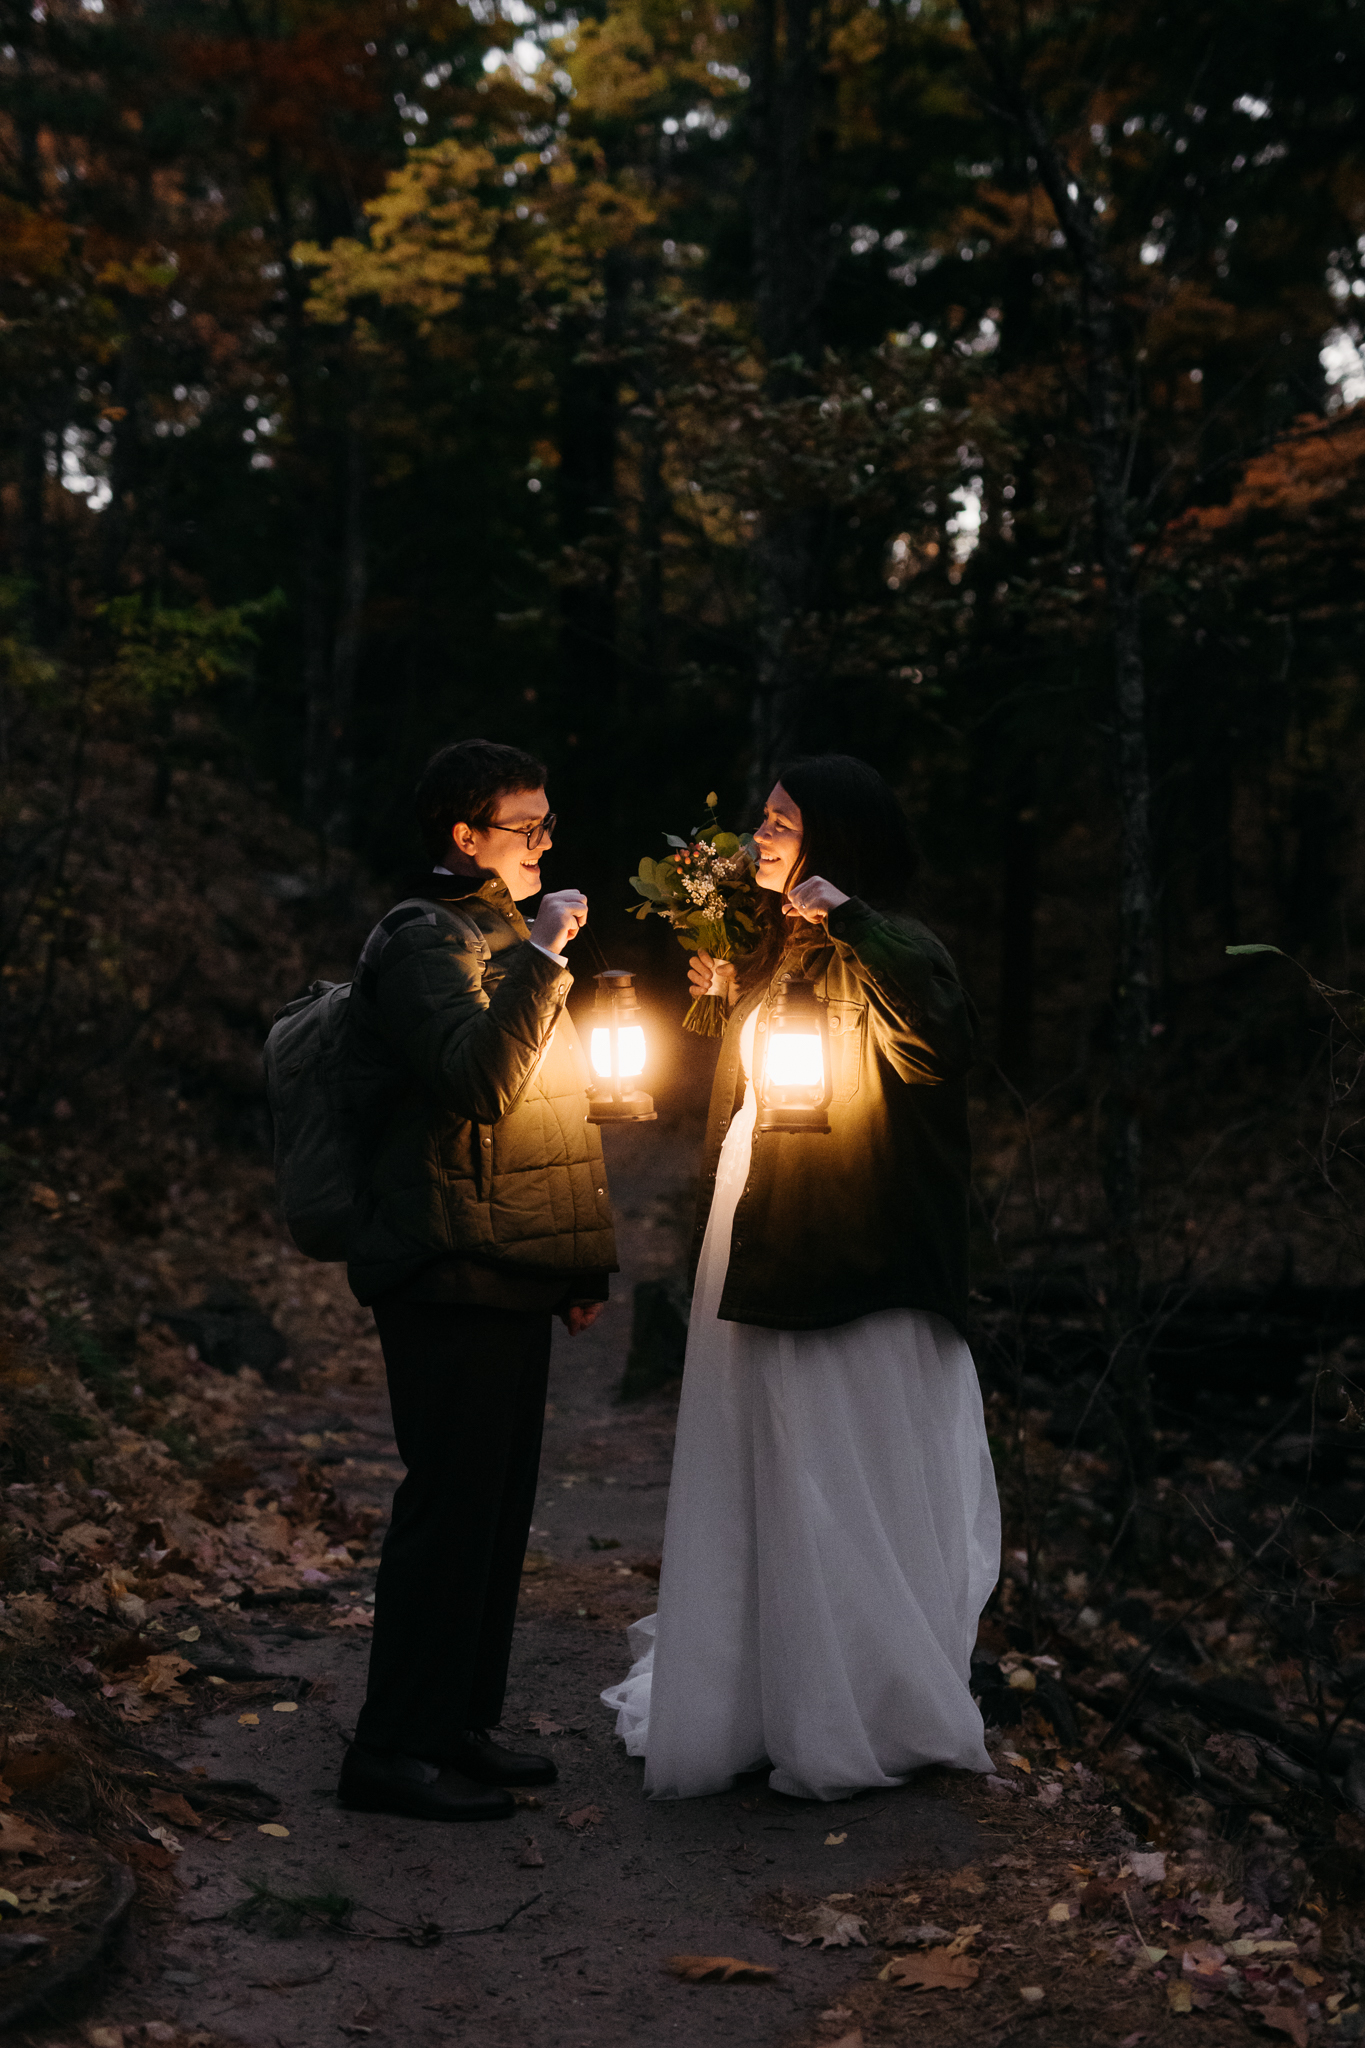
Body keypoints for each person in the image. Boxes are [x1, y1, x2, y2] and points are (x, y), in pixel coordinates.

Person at [602, 754, 1000, 1802]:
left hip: (845, 1239)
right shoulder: (780, 949)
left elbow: (940, 1044)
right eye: (764, 818)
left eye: (782, 821)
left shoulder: (889, 940)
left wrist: (857, 923)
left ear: (837, 837)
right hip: (766, 1218)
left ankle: (861, 1696)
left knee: (842, 1455)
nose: (761, 836)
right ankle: (762, 1687)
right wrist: (725, 997)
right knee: (767, 1450)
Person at [338, 738, 618, 1824]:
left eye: (549, 823)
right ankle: (388, 1748)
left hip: (508, 1264)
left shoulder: (503, 935)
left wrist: (578, 1257)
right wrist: (547, 956)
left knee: (496, 1512)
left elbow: (559, 1117)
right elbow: (480, 1083)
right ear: (466, 836)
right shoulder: (418, 939)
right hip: (441, 1264)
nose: (547, 841)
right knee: (447, 1507)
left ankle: (457, 1723)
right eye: (527, 824)